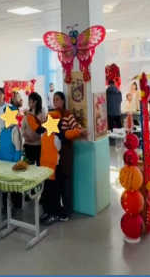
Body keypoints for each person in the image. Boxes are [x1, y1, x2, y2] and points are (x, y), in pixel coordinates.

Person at [46, 92, 88, 224]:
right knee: (56, 183)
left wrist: (81, 131)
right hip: (54, 153)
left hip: (65, 152)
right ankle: (57, 209)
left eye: (57, 99)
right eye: (54, 99)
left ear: (63, 101)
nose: (55, 102)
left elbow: (76, 128)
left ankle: (67, 211)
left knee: (66, 183)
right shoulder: (51, 116)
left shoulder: (68, 115)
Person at [0, 93, 24, 215]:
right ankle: (5, 204)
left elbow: (18, 147)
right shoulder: (4, 130)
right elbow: (0, 146)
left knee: (14, 185)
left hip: (12, 162)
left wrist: (16, 162)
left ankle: (17, 205)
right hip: (2, 162)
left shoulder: (15, 130)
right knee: (4, 185)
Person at [21, 92, 45, 166]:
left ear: (35, 102)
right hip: (28, 144)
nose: (28, 103)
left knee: (39, 165)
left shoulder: (42, 113)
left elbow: (44, 129)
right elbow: (23, 128)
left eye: (30, 101)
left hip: (38, 144)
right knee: (29, 166)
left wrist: (35, 138)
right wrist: (25, 136)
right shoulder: (27, 113)